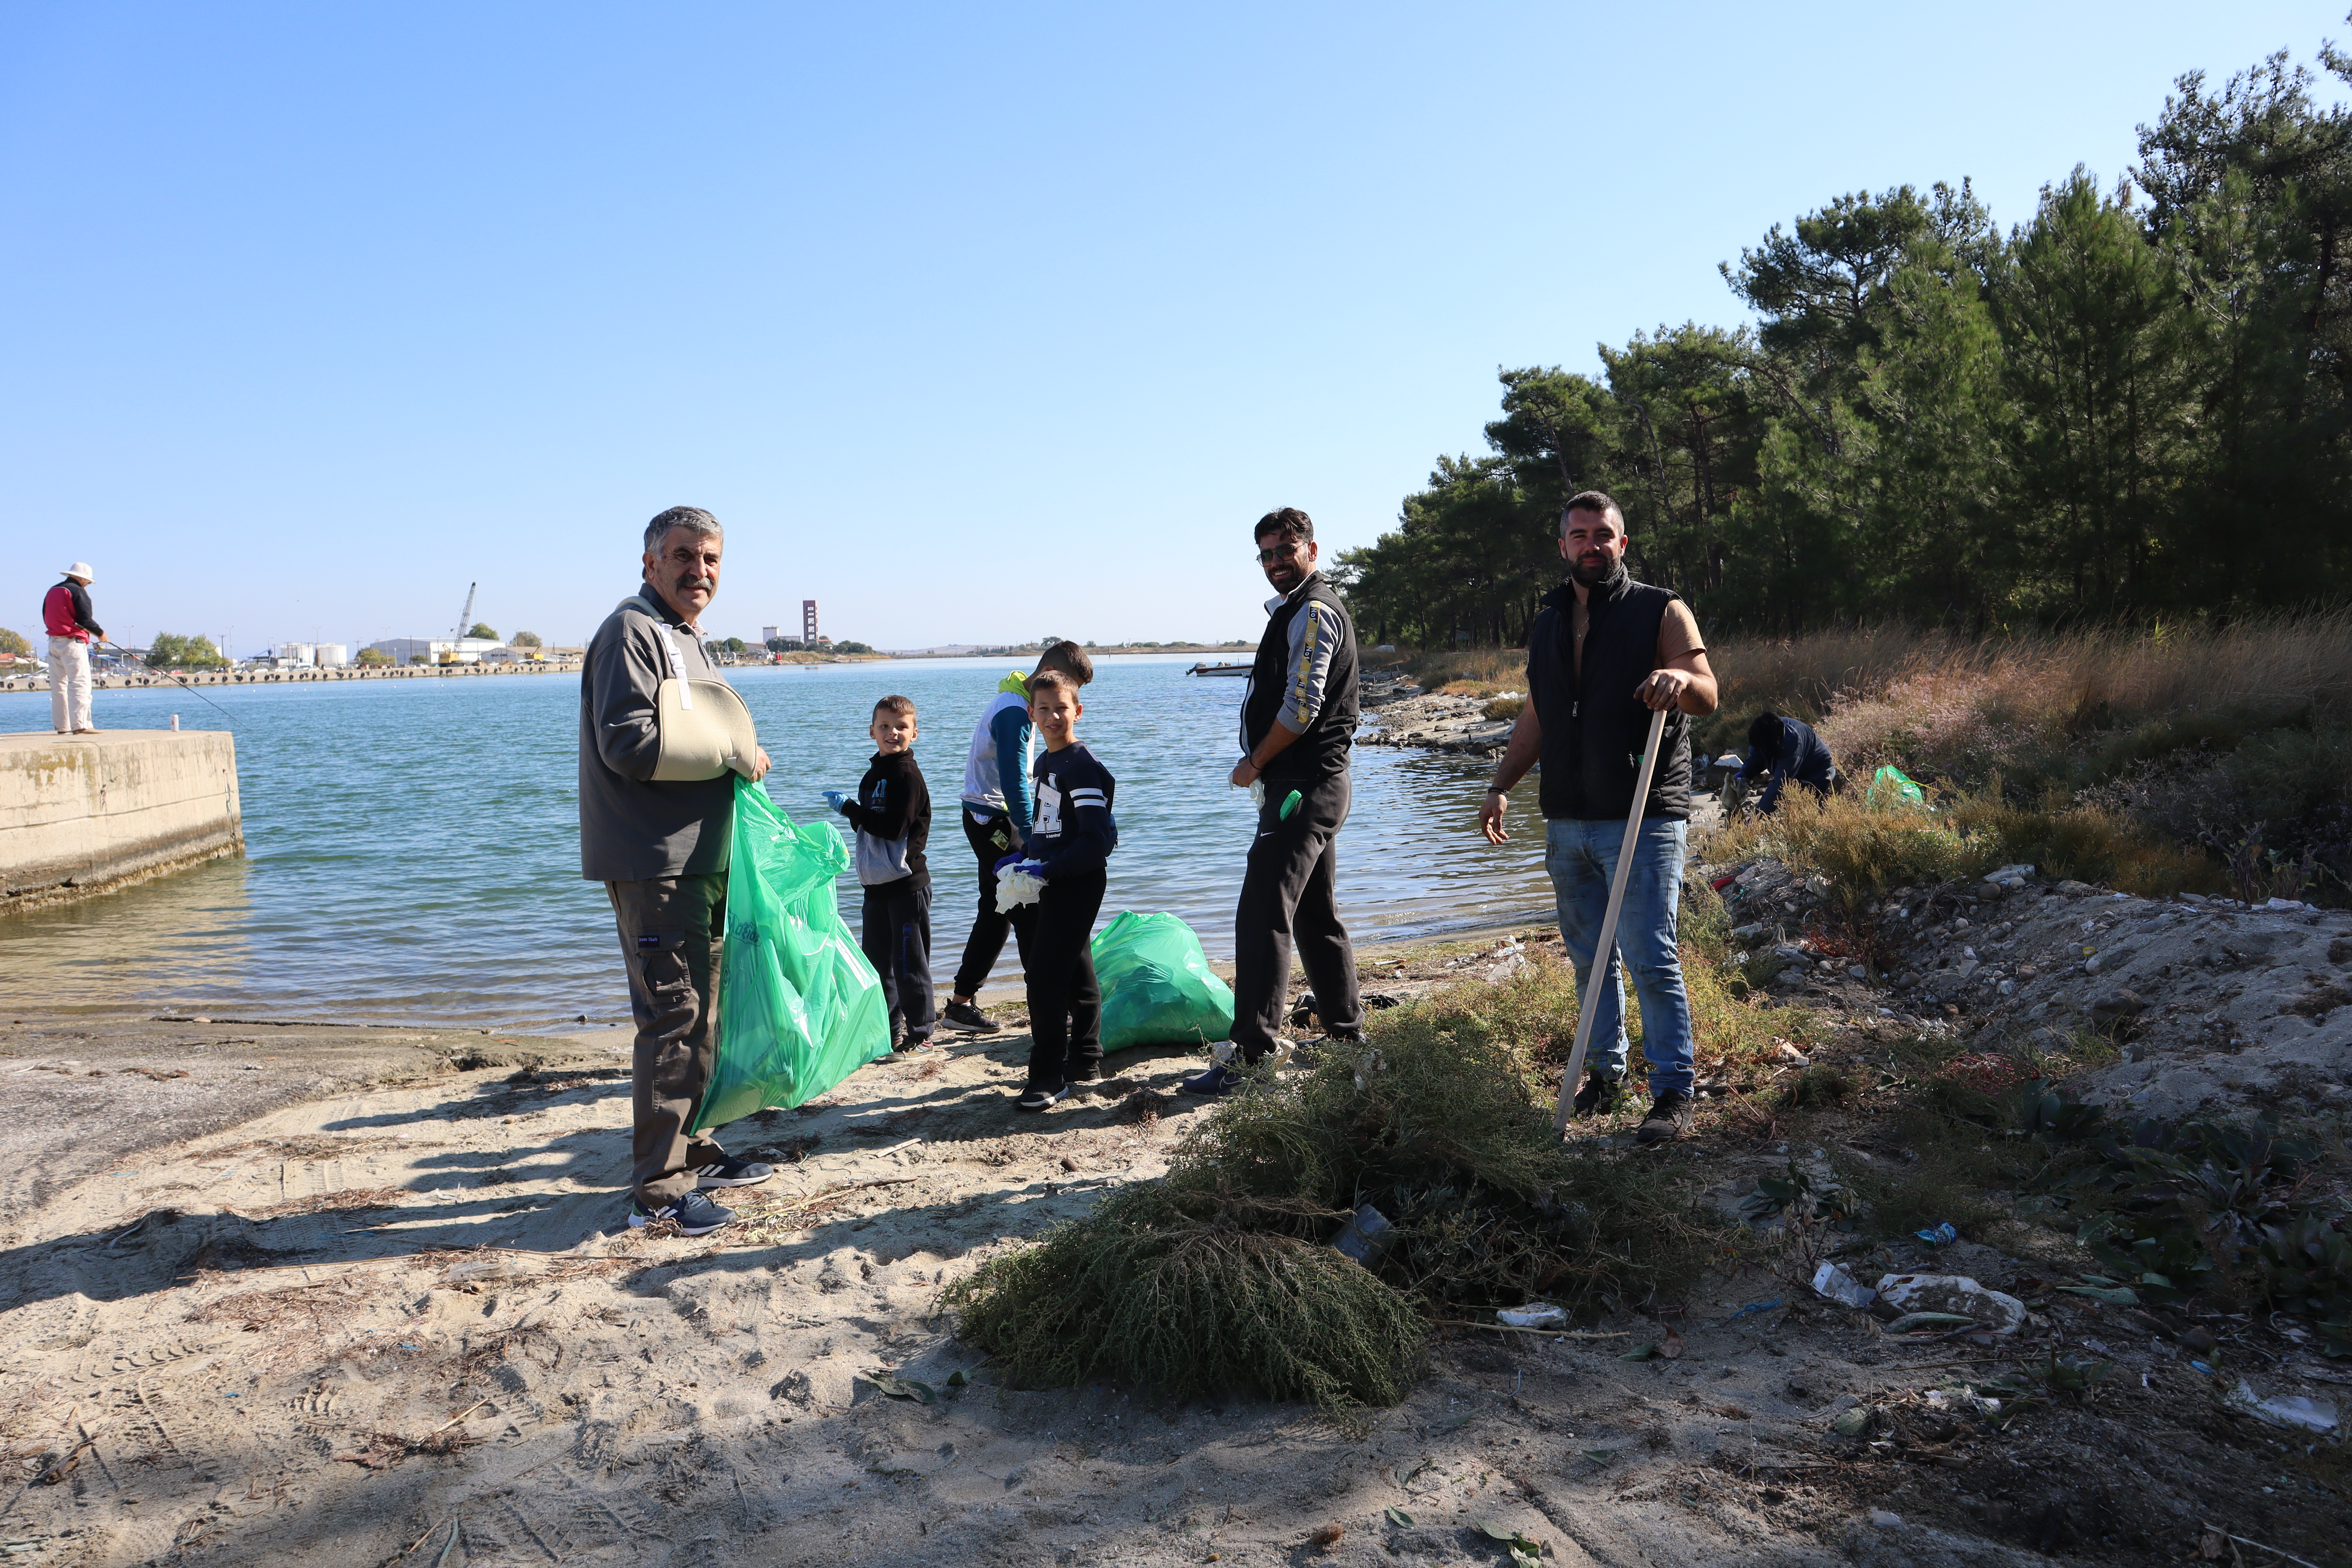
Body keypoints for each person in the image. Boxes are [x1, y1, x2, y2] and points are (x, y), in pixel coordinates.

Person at [1477, 491, 1719, 1143]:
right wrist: (1502, 783)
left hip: (1641, 814)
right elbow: (1538, 714)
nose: (1592, 545)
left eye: (1603, 535)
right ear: (1563, 547)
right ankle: (1608, 1075)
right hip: (1567, 817)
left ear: (1623, 543)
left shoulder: (1660, 609)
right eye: (1579, 536)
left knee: (1651, 956)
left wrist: (1676, 679)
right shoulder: (1549, 620)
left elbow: (1708, 690)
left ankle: (1672, 1093)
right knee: (1589, 958)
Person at [579, 506, 776, 1237]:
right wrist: (731, 754)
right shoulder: (631, 630)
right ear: (651, 563)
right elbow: (629, 744)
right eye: (685, 556)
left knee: (706, 1015)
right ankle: (658, 1192)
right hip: (653, 861)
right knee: (673, 1017)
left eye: (713, 560)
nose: (701, 571)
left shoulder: (685, 637)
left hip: (701, 859)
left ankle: (692, 1149)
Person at [1185, 507, 1362, 1096]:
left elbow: (1303, 706)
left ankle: (1252, 1054)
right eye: (1265, 555)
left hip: (1301, 787)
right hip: (1313, 784)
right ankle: (1345, 1036)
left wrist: (1255, 762)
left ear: (1312, 549)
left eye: (1286, 550)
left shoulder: (1314, 610)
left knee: (1262, 914)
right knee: (1315, 915)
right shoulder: (1296, 609)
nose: (1276, 563)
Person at [940, 642, 1096, 1035]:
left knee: (996, 911)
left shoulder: (1016, 697)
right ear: (1046, 672)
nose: (1065, 700)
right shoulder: (1015, 711)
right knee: (1030, 910)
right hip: (994, 820)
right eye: (1064, 685)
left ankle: (960, 1005)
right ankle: (1050, 1009)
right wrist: (1032, 838)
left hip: (984, 816)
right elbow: (1013, 781)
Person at [1002, 668, 1118, 1111]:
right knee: (1077, 964)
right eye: (1044, 709)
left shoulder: (1082, 766)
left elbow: (1095, 840)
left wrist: (1048, 869)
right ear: (1031, 713)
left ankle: (1048, 1075)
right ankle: (1087, 1057)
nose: (1053, 716)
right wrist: (1026, 856)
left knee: (1045, 976)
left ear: (1078, 711)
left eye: (1061, 708)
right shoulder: (1045, 763)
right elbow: (1047, 826)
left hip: (1078, 881)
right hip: (1052, 875)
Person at [832, 695, 936, 1051]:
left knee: (909, 964)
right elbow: (870, 831)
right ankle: (889, 1031)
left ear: (915, 733)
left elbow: (892, 829)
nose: (893, 733)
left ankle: (921, 1033)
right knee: (877, 965)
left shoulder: (907, 776)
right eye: (885, 727)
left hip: (906, 886)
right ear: (872, 731)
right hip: (875, 887)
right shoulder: (874, 773)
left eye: (902, 727)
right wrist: (855, 817)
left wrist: (850, 809)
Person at [42, 562, 102, 735]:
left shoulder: (53, 590)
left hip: (53, 642)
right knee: (79, 683)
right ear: (82, 579)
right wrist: (100, 633)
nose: (87, 585)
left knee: (58, 686)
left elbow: (46, 615)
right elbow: (85, 620)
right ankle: (81, 725)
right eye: (88, 582)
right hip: (72, 643)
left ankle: (63, 727)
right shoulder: (77, 591)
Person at [1737, 711, 1836, 814]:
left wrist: (1757, 817)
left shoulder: (1792, 745)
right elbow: (1757, 757)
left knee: (1807, 813)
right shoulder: (1765, 731)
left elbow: (1779, 786)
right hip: (1798, 773)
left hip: (1818, 774)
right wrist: (1743, 775)